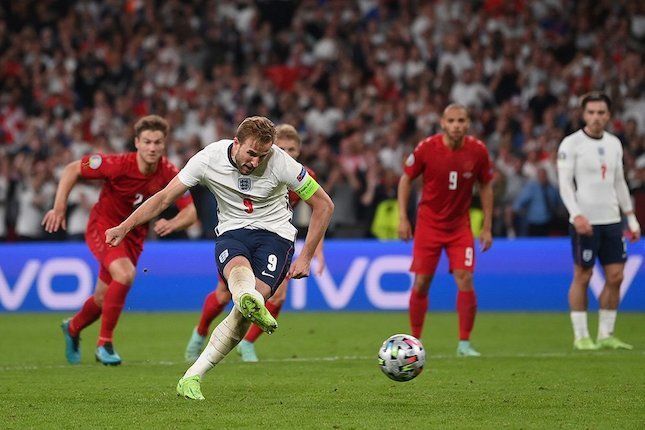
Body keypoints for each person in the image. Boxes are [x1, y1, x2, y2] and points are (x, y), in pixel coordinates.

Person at [105, 116, 334, 400]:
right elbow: (164, 198)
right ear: (235, 143)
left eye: (263, 155)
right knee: (242, 281)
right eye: (251, 153)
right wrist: (124, 226)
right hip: (232, 231)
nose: (255, 161)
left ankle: (192, 376)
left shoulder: (282, 162)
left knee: (242, 314)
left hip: (275, 236)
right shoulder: (208, 158)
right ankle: (248, 299)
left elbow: (324, 204)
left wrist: (306, 257)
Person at [42, 115, 197, 365]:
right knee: (124, 274)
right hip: (104, 227)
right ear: (136, 142)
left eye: (157, 142)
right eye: (147, 141)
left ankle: (72, 327)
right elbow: (72, 169)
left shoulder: (169, 172)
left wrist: (173, 223)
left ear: (164, 144)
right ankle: (105, 344)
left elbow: (191, 212)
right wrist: (59, 207)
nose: (152, 147)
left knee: (104, 299)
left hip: (133, 237)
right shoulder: (117, 165)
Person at [183, 124, 326, 363]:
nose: (287, 153)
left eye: (292, 149)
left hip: (273, 239)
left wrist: (313, 252)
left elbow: (320, 210)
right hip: (241, 235)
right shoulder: (258, 167)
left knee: (276, 297)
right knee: (223, 296)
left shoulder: (301, 175)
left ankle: (248, 343)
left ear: (299, 151)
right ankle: (199, 332)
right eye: (282, 148)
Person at [398, 104, 494, 357]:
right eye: (451, 120)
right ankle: (414, 342)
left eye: (461, 120)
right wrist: (402, 217)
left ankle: (464, 343)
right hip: (428, 225)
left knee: (465, 278)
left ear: (468, 123)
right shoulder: (427, 148)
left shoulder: (478, 151)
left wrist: (487, 226)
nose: (456, 125)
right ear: (442, 123)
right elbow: (406, 178)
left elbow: (486, 186)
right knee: (421, 283)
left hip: (460, 226)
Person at [557, 92, 641, 351]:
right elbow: (565, 184)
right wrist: (576, 215)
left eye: (601, 113)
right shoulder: (571, 144)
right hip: (585, 220)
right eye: (591, 112)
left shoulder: (615, 143)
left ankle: (606, 334)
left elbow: (619, 182)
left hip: (612, 219)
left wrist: (631, 217)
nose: (596, 117)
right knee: (583, 275)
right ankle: (581, 336)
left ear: (609, 115)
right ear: (583, 115)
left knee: (616, 276)